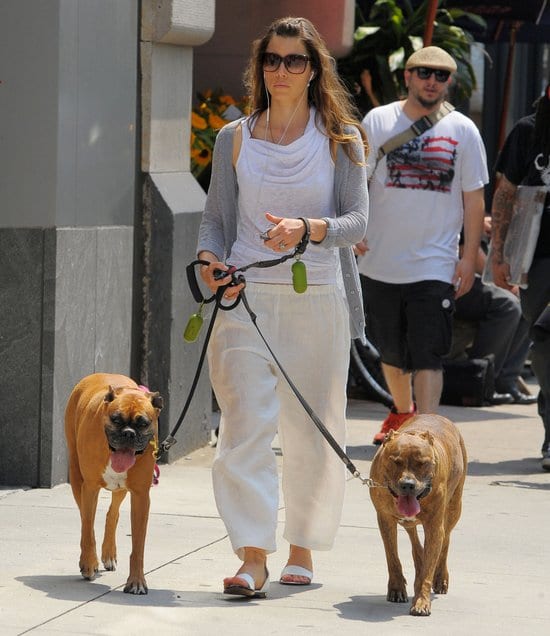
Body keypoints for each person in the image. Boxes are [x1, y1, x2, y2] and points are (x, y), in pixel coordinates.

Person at [196, 16, 369, 596]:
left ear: (315, 68)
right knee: (243, 427)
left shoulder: (342, 136)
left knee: (311, 428)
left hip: (316, 295)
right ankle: (251, 555)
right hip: (241, 295)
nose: (282, 70)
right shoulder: (234, 136)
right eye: (272, 59)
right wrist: (207, 259)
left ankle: (302, 548)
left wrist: (309, 227)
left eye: (296, 60)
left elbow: (357, 222)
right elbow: (216, 219)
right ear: (260, 66)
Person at [355, 46, 488, 444]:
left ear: (449, 83)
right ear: (408, 76)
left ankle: (427, 432)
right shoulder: (378, 121)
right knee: (391, 353)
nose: (432, 80)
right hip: (378, 259)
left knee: (429, 353)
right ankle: (402, 412)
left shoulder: (463, 129)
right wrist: (353, 230)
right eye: (424, 72)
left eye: (441, 75)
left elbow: (473, 198)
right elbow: (354, 180)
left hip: (435, 263)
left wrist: (468, 258)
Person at [490, 85, 550, 471]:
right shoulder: (528, 131)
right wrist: (498, 256)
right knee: (544, 344)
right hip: (539, 257)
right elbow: (505, 193)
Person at [453, 240, 535, 405]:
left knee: (529, 303)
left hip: (471, 277)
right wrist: (500, 280)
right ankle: (479, 381)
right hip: (447, 279)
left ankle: (505, 381)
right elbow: (467, 249)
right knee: (507, 305)